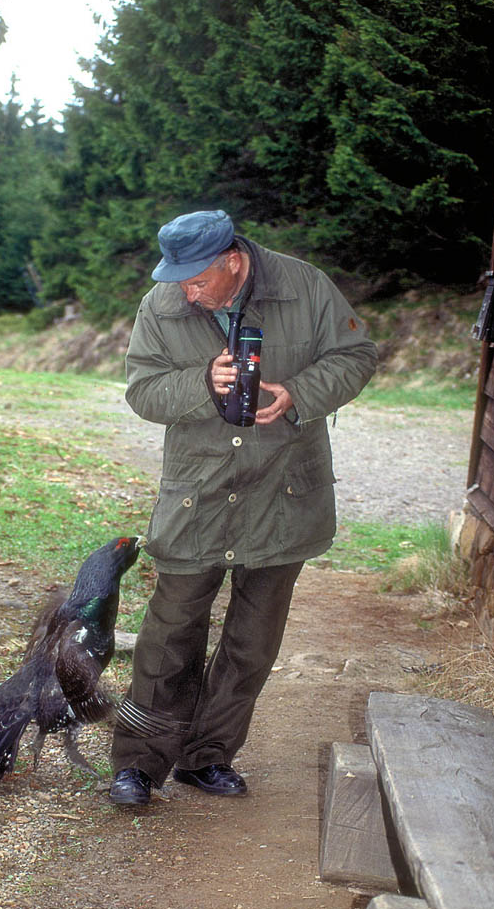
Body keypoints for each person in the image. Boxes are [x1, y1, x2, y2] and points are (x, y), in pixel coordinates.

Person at [109, 209, 377, 805]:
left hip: (284, 490)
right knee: (167, 634)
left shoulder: (305, 286)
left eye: (198, 279)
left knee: (251, 641)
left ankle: (208, 757)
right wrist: (202, 382)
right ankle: (138, 764)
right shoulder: (163, 304)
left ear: (234, 259)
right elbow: (141, 389)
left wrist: (299, 394)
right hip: (197, 492)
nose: (186, 291)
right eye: (177, 278)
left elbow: (357, 355)